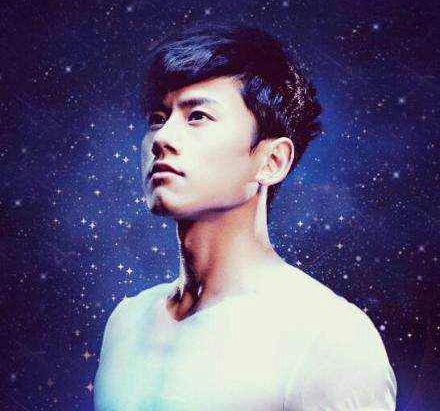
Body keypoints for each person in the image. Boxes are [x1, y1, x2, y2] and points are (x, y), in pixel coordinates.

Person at [93, 21, 397, 410]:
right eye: (158, 118)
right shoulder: (126, 322)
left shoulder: (327, 337)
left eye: (197, 116)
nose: (163, 138)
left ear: (272, 161)